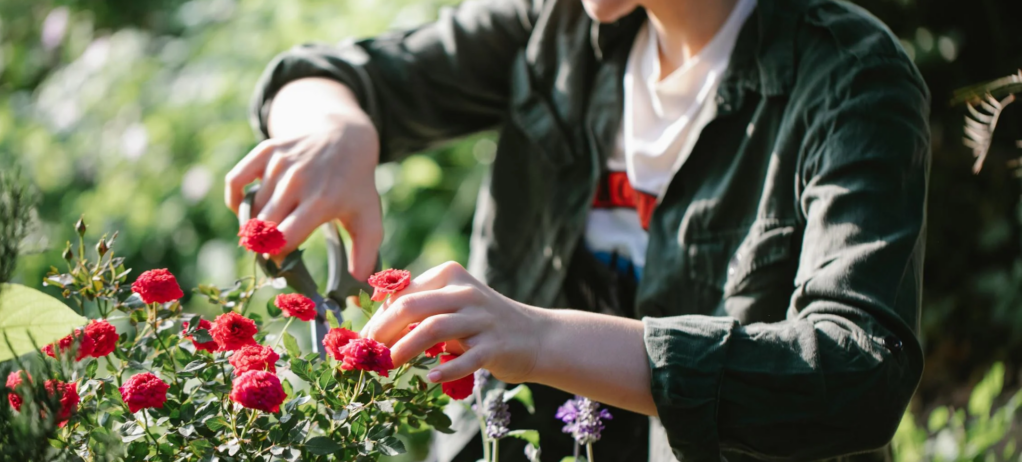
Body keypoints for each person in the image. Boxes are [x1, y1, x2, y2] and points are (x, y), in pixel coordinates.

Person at [225, 0, 930, 459]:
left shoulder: (849, 75)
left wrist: (539, 338)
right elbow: (330, 75)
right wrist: (336, 130)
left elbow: (856, 370)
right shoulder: (555, 22)